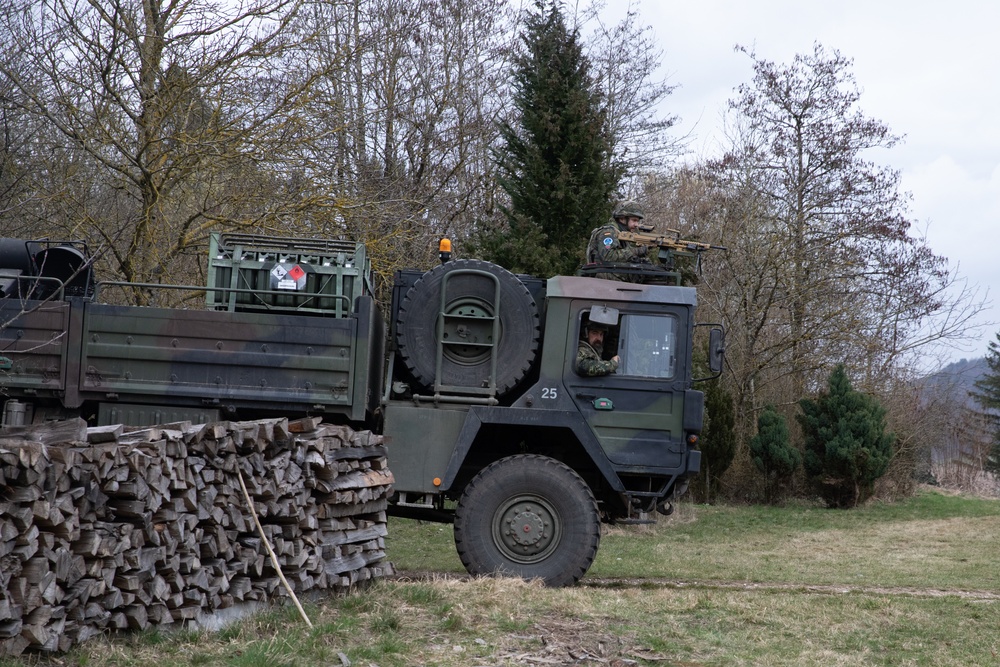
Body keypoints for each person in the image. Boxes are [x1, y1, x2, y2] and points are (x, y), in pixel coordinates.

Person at [586, 200, 650, 280]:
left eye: (637, 221)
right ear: (622, 218)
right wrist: (638, 251)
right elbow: (609, 256)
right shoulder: (608, 232)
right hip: (603, 281)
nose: (636, 225)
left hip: (614, 281)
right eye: (634, 220)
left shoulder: (623, 233)